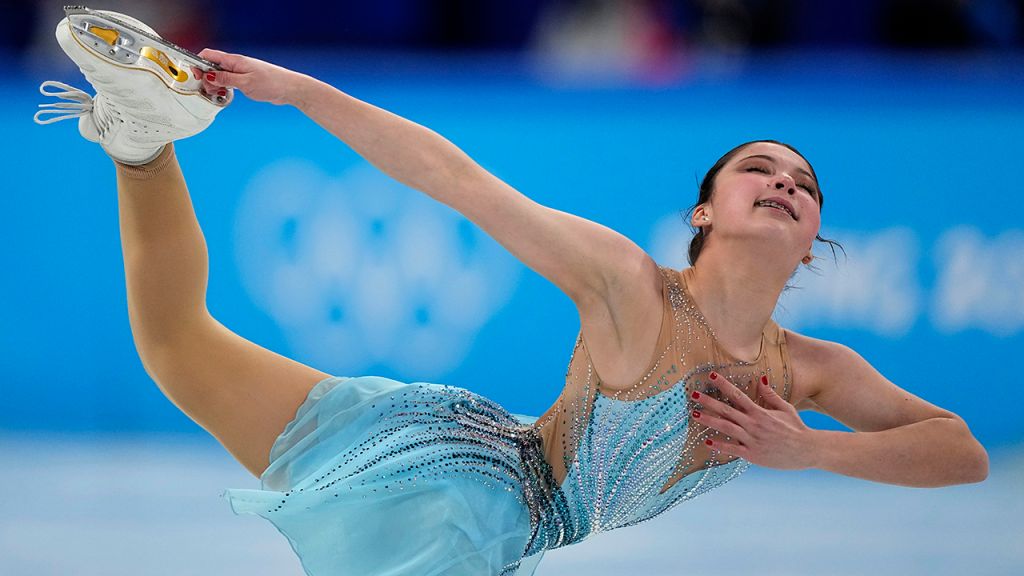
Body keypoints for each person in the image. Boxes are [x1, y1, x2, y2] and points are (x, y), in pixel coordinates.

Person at [36, 9, 989, 576]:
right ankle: (146, 131)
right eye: (759, 169)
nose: (784, 181)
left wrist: (808, 452)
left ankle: (138, 142)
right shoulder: (629, 287)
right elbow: (458, 181)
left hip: (453, 447)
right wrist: (302, 91)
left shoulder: (810, 372)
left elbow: (962, 452)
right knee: (175, 346)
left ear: (813, 245)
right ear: (703, 214)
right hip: (476, 503)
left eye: (803, 183)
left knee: (169, 344)